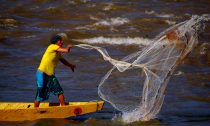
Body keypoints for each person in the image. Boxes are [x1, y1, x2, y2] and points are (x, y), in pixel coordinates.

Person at [34, 34, 76, 107]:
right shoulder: (52, 46)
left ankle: (63, 107)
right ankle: (35, 110)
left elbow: (63, 61)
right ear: (56, 42)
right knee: (41, 92)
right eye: (60, 41)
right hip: (42, 73)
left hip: (50, 75)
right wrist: (68, 48)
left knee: (59, 90)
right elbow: (66, 50)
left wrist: (70, 65)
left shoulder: (58, 53)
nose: (62, 42)